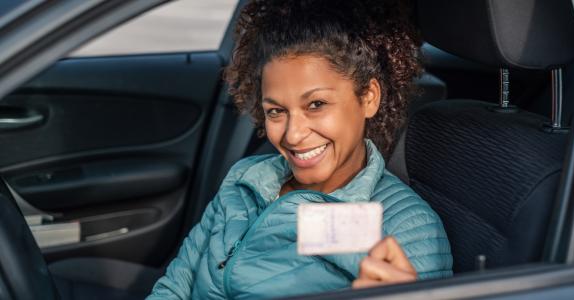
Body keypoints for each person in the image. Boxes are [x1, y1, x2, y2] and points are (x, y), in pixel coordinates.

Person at [147, 0, 452, 299]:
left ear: (369, 97)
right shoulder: (247, 177)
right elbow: (176, 285)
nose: (293, 135)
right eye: (276, 111)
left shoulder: (405, 228)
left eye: (316, 105)